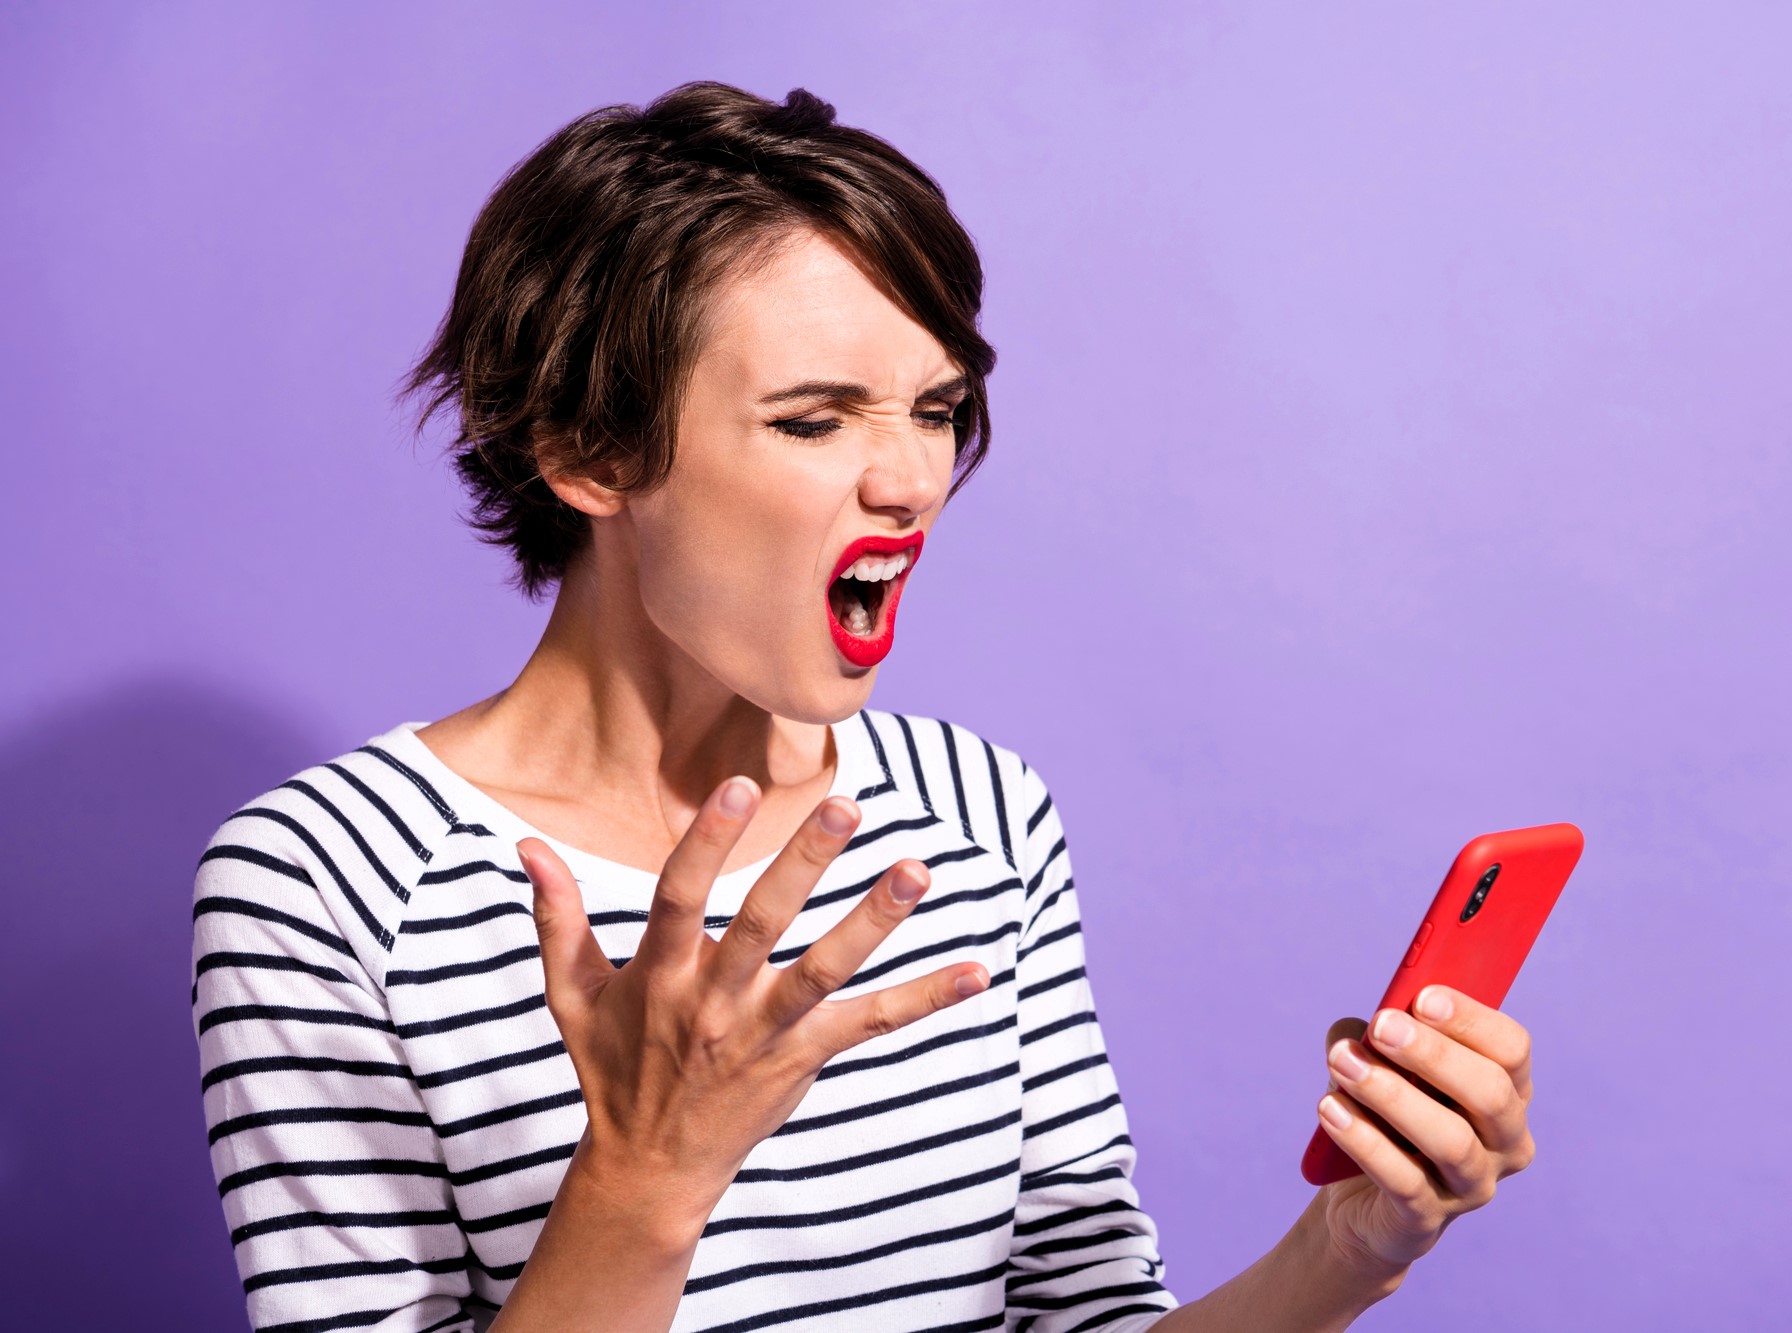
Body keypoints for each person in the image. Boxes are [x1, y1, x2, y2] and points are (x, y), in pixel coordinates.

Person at [189, 82, 1539, 1333]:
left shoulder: (975, 811)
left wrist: (1353, 1243)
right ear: (584, 448)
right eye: (812, 420)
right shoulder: (327, 883)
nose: (911, 482)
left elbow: (1085, 1315)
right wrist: (646, 1175)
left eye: (936, 408)